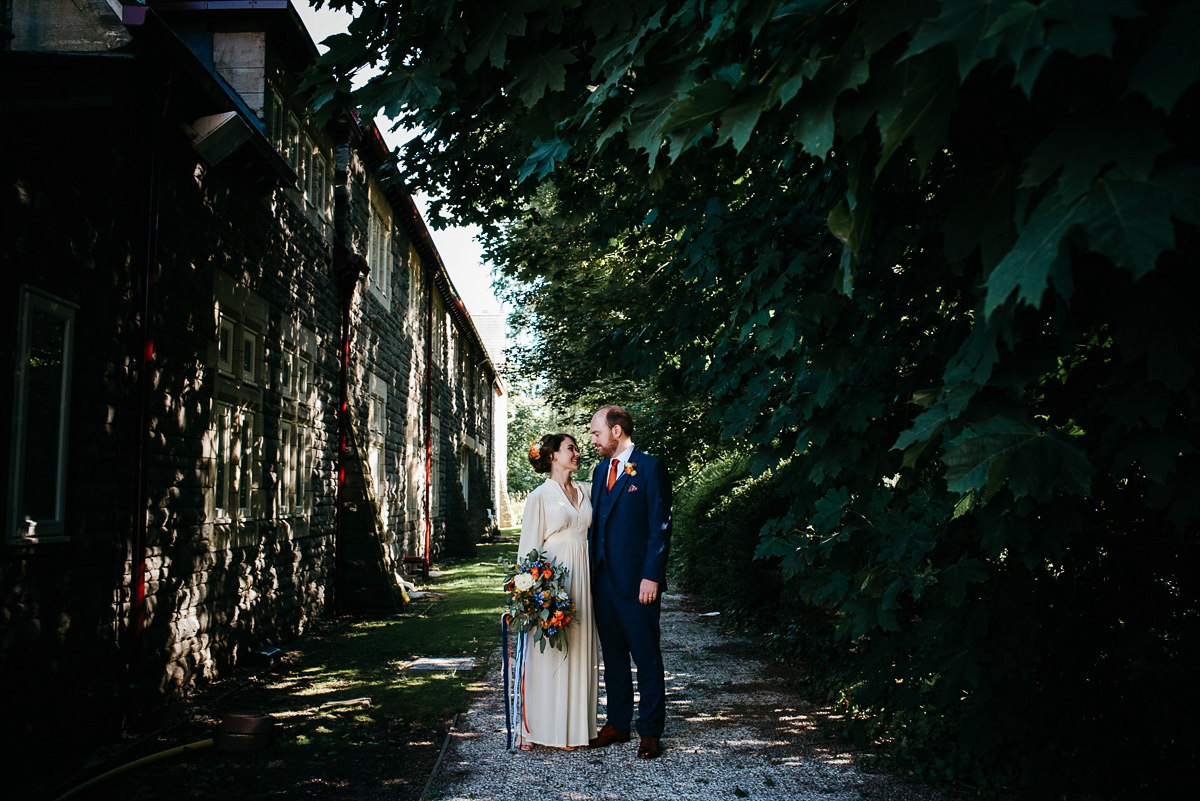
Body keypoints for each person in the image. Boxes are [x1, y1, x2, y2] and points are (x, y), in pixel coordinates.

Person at [587, 405, 672, 760]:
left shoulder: (651, 468)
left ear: (617, 431)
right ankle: (618, 724)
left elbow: (661, 526)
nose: (592, 440)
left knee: (646, 657)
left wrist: (652, 575)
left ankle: (650, 731)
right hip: (602, 581)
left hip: (639, 582)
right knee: (613, 657)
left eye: (596, 433)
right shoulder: (598, 470)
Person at [514, 433, 599, 751]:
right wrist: (532, 593)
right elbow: (528, 550)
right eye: (570, 449)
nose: (577, 453)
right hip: (553, 581)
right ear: (552, 456)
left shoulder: (586, 491)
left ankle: (573, 730)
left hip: (583, 579)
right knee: (547, 655)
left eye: (577, 448)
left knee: (578, 650)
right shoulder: (540, 496)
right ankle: (535, 729)